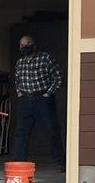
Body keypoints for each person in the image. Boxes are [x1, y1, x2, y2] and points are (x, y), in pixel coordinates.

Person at [9, 34, 65, 167]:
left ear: (34, 45)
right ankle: (19, 162)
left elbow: (58, 77)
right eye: (22, 45)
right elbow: (17, 79)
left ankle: (61, 162)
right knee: (21, 132)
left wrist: (48, 94)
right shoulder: (20, 62)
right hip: (25, 99)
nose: (24, 47)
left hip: (42, 99)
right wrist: (19, 92)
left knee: (51, 130)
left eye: (27, 44)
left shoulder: (45, 58)